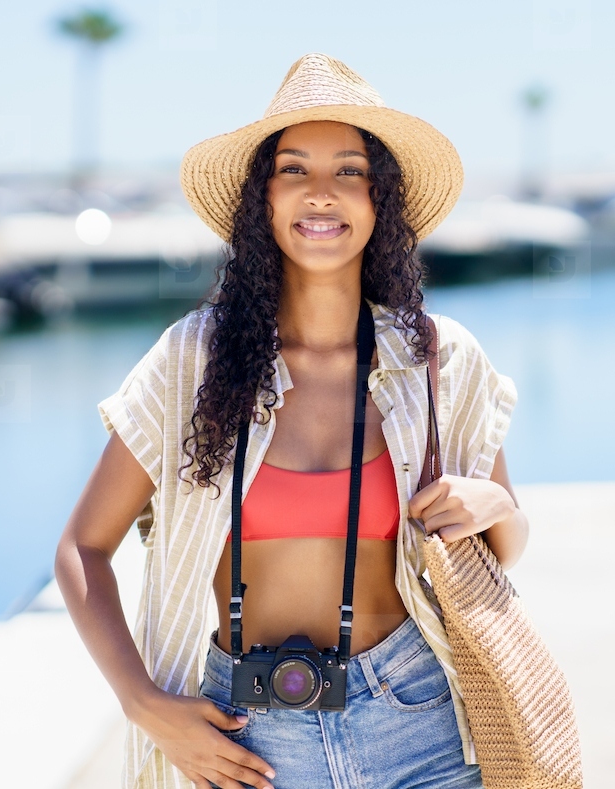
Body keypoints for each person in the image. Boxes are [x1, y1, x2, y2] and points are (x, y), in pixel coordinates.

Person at [55, 53, 527, 789]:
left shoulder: (440, 358)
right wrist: (145, 705)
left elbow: (507, 543)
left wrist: (493, 502)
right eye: (293, 169)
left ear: (380, 199)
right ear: (263, 199)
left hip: (420, 716)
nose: (321, 193)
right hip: (243, 739)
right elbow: (83, 548)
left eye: (349, 171)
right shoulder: (193, 362)